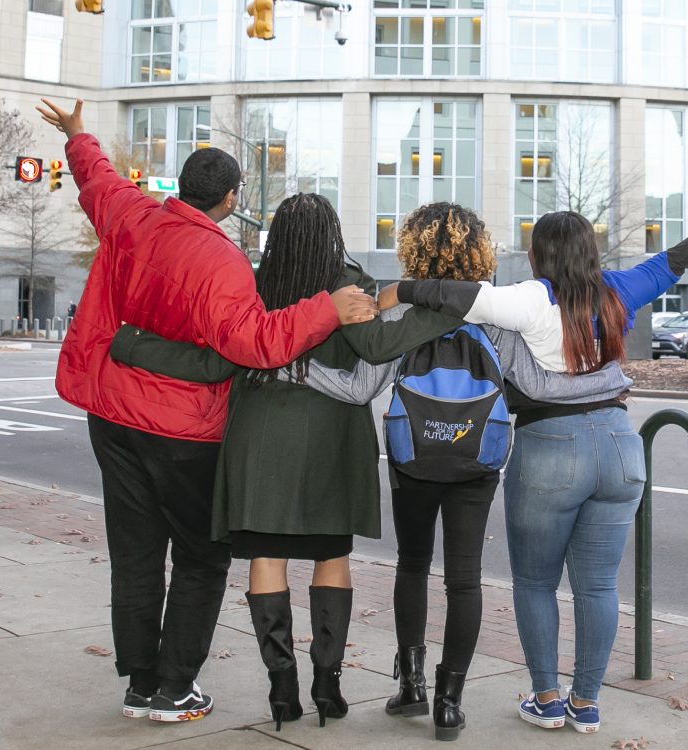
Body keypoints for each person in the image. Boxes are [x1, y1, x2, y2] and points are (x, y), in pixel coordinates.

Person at [380, 181, 688, 734]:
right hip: (621, 445)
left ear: (539, 255)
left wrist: (398, 290)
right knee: (598, 586)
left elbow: (460, 297)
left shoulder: (530, 298)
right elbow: (680, 256)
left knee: (535, 582)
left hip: (553, 446)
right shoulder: (619, 290)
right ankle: (586, 704)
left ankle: (547, 700)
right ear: (591, 253)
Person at [36, 99, 378, 724]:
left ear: (183, 187)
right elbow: (253, 343)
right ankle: (174, 688)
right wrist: (327, 309)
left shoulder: (130, 213)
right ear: (227, 198)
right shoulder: (221, 261)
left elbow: (97, 180)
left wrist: (79, 134)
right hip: (183, 429)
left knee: (135, 553)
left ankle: (140, 683)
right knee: (199, 557)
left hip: (112, 415)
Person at [107, 193, 477, 731]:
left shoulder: (251, 283)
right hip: (332, 440)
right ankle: (327, 686)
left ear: (277, 235)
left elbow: (213, 362)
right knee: (330, 556)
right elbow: (377, 346)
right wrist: (447, 310)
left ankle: (282, 692)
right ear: (332, 232)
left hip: (259, 438)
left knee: (267, 556)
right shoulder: (349, 281)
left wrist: (132, 344)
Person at [283, 202, 636, 742]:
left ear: (412, 248)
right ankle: (451, 701)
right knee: (464, 577)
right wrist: (609, 384)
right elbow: (534, 386)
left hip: (414, 457)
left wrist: (295, 369)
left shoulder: (397, 311)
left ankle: (412, 685)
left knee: (413, 563)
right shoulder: (493, 312)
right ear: (481, 250)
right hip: (477, 457)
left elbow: (358, 389)